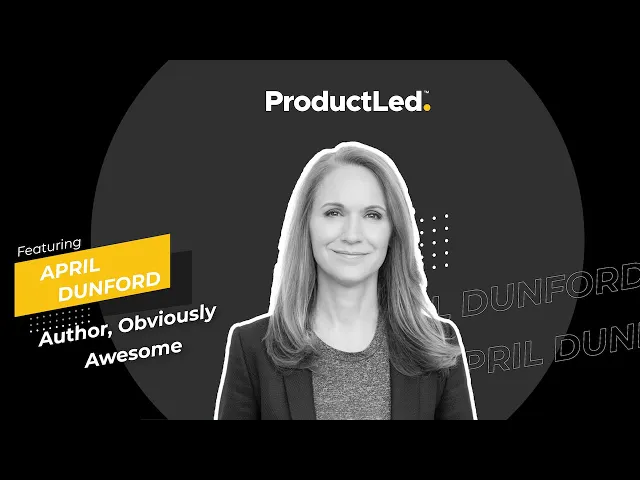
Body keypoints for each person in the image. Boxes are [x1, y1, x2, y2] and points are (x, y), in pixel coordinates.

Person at [215, 142, 476, 420]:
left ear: (393, 232)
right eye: (334, 213)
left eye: (373, 215)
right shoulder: (252, 347)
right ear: (307, 226)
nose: (352, 235)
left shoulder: (438, 345)